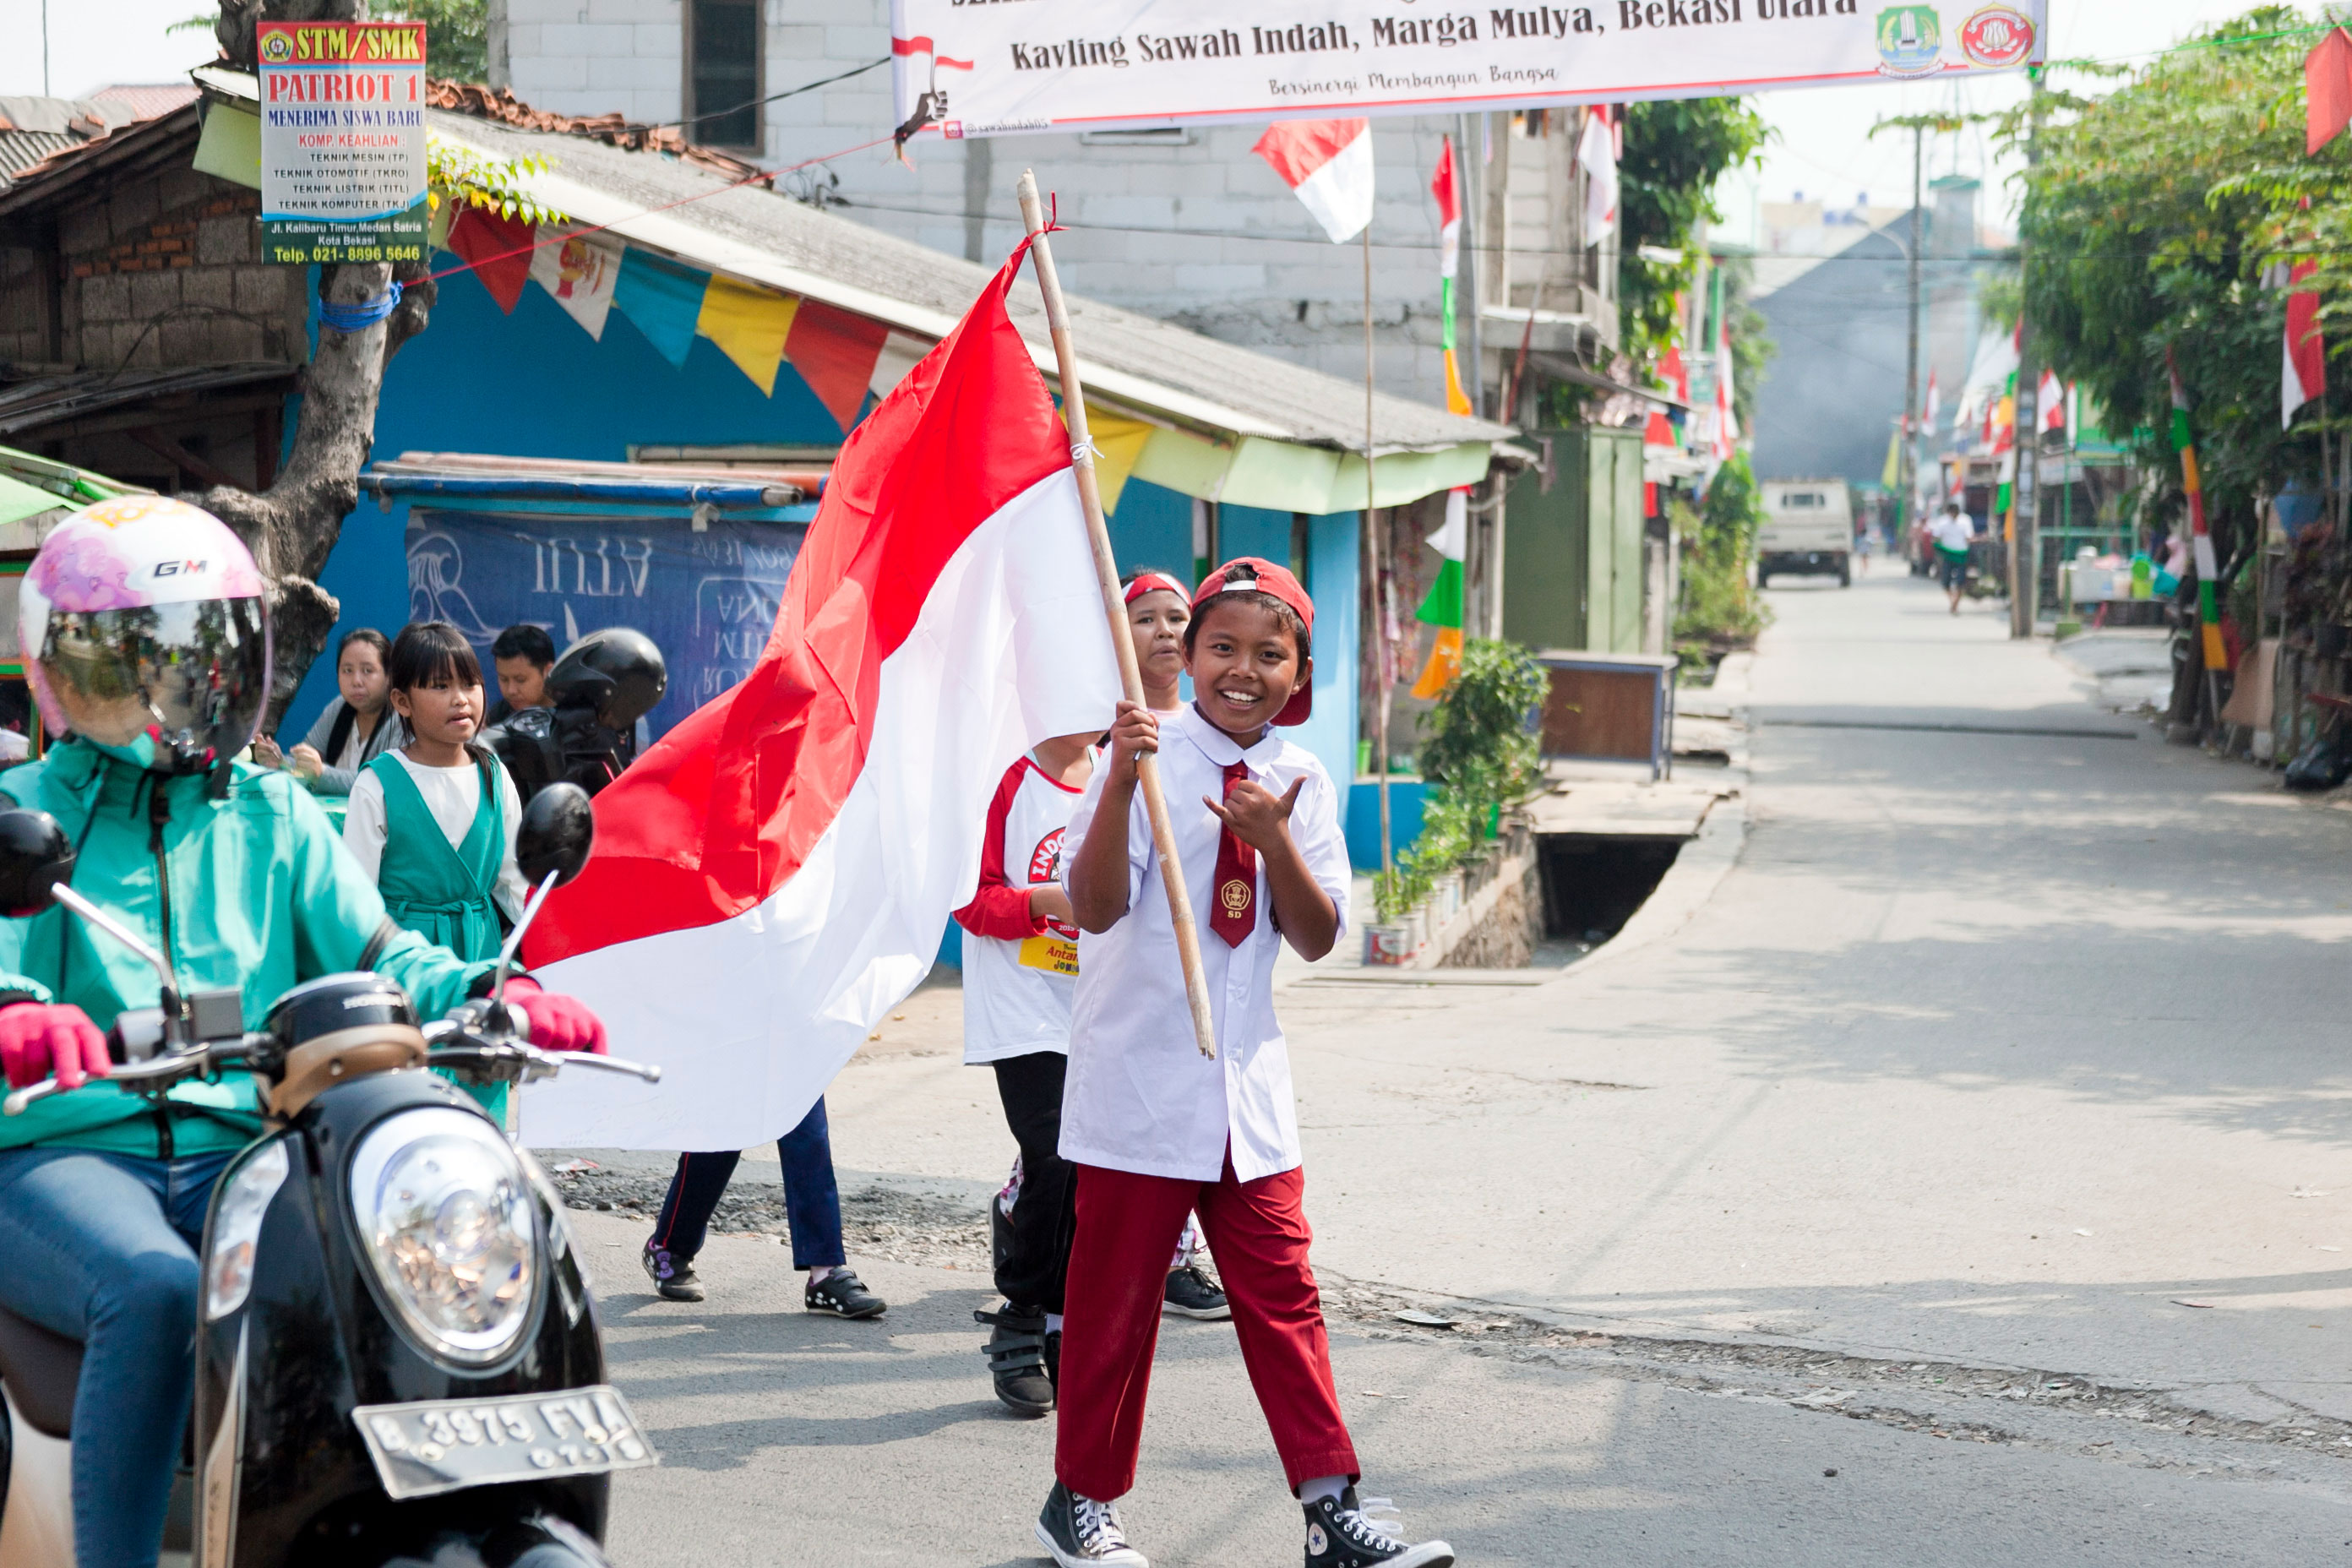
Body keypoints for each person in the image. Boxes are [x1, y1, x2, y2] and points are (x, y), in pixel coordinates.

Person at [0, 496, 607, 1568]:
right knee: (152, 1289)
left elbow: (381, 955)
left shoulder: (271, 813)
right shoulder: (30, 810)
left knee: (404, 1262)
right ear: (67, 666)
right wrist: (20, 1013)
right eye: (136, 660)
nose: (174, 687)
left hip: (250, 1151)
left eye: (200, 654)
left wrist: (488, 984)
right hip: (69, 1152)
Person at [1036, 558, 1452, 1568]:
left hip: (1246, 1094)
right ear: (1190, 653)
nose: (1242, 669)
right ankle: (1081, 1499)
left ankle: (1330, 1502)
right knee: (1113, 1309)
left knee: (1286, 1296)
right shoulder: (1142, 750)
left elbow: (1313, 937)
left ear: (1299, 670)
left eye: (1270, 654)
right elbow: (1091, 910)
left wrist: (1276, 846)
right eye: (1222, 647)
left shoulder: (1304, 779)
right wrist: (1116, 786)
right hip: (1139, 1081)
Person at [341, 622, 532, 1118]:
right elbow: (355, 903)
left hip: (480, 961)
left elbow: (515, 884)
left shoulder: (494, 772)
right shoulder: (377, 783)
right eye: (439, 686)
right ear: (402, 702)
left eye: (469, 684)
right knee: (405, 1103)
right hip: (403, 964)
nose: (460, 699)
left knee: (481, 1099)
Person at [1120, 569, 1232, 1324]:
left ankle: (1178, 1257)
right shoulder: (1105, 737)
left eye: (1175, 618)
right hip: (1110, 959)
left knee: (1190, 1099)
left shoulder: (1216, 738)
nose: (1163, 631)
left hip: (1191, 959)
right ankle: (1026, 1210)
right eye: (1145, 618)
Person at [639, 1100, 889, 1320]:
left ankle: (824, 1271)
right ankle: (671, 1246)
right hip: (736, 1049)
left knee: (808, 1136)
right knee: (720, 1138)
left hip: (793, 1049)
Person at [253, 626, 405, 794]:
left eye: (368, 671)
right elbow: (307, 762)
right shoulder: (339, 707)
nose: (356, 681)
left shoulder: (401, 718)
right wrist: (279, 762)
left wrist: (322, 774)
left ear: (389, 676)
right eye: (347, 670)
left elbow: (380, 783)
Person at [487, 622, 558, 726]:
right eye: (504, 679)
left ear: (548, 672)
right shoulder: (497, 717)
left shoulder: (575, 716)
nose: (511, 691)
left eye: (520, 680)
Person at [1930, 500, 1976, 616]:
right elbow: (1935, 537)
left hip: (1961, 555)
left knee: (1960, 582)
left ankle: (1955, 604)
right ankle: (1952, 602)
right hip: (1948, 555)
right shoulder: (1942, 522)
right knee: (1945, 582)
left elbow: (1969, 537)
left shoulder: (1965, 521)